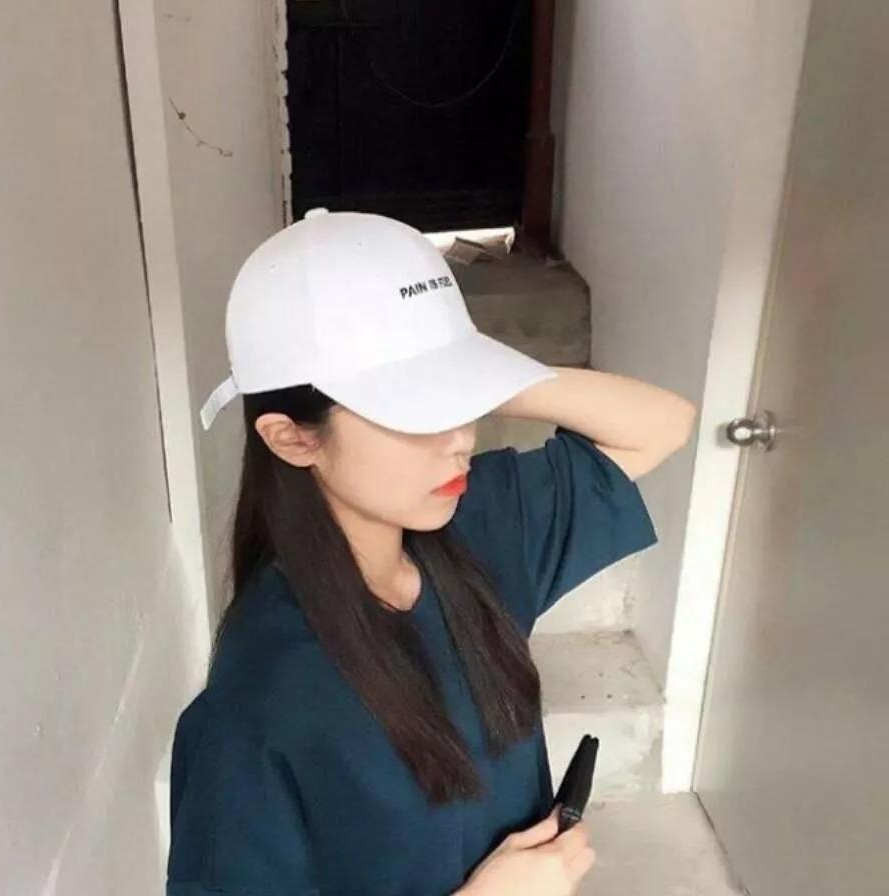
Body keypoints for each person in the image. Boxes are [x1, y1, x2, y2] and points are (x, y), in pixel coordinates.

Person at [167, 210, 696, 896]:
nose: (461, 437)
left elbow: (662, 424)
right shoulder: (257, 705)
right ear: (293, 438)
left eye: (458, 394)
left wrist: (472, 368)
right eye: (412, 406)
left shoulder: (474, 525)